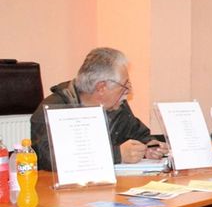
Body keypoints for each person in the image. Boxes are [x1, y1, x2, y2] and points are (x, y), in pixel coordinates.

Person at [30, 47, 167, 171]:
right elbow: (47, 159)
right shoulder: (52, 109)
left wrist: (149, 146)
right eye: (125, 85)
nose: (129, 92)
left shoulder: (117, 106)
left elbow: (139, 134)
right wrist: (117, 154)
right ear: (101, 87)